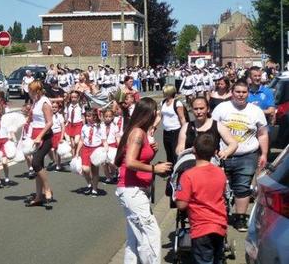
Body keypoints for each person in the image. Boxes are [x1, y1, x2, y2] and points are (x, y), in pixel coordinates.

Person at [114, 97, 172, 264]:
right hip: (132, 190)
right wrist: (155, 169)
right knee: (150, 234)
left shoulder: (142, 132)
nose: (158, 117)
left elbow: (140, 159)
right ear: (149, 114)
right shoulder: (138, 132)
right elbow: (131, 162)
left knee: (135, 237)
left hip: (136, 189)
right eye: (156, 113)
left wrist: (152, 153)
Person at [212, 79, 269, 232]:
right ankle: (219, 216)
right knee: (219, 187)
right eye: (238, 92)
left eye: (244, 92)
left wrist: (263, 154)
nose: (241, 95)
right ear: (232, 92)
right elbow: (211, 130)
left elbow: (262, 134)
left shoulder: (255, 111)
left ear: (248, 93)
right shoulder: (221, 108)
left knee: (243, 187)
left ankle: (240, 218)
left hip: (247, 155)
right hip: (223, 155)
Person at [176, 133, 228, 264]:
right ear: (215, 152)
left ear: (193, 150)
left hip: (201, 228)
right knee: (217, 259)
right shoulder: (220, 173)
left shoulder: (188, 175)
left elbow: (181, 205)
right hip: (219, 226)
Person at [25, 80, 54, 207]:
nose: (29, 93)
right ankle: (38, 197)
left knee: (35, 162)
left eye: (31, 91)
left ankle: (47, 189)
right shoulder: (35, 101)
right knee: (38, 167)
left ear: (36, 91)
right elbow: (35, 118)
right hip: (35, 134)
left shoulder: (45, 102)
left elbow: (49, 122)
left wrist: (39, 137)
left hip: (45, 136)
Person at [75, 108, 108, 197]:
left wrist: (106, 151)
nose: (87, 118)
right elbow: (81, 140)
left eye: (89, 116)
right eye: (87, 116)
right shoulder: (84, 127)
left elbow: (104, 140)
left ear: (95, 116)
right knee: (85, 169)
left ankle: (94, 189)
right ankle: (90, 183)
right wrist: (77, 152)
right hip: (86, 149)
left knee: (95, 171)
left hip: (96, 149)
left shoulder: (101, 127)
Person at [159, 84, 186, 165]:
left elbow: (182, 118)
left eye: (164, 91)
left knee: (176, 153)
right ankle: (171, 173)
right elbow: (160, 116)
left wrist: (185, 131)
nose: (163, 92)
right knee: (169, 153)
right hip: (166, 132)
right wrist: (153, 127)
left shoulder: (177, 103)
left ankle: (177, 172)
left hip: (175, 132)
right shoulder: (163, 102)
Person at [50, 101, 65, 171]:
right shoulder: (49, 115)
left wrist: (62, 137)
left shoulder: (60, 116)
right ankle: (55, 161)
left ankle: (58, 164)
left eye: (56, 107)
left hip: (58, 134)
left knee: (57, 150)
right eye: (52, 107)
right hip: (50, 134)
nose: (54, 109)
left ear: (58, 108)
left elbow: (63, 127)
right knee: (52, 150)